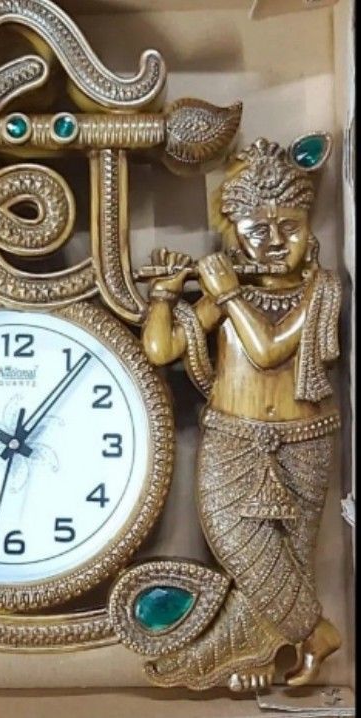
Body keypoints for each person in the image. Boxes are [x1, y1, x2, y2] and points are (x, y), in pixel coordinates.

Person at [140, 137, 342, 691]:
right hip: (232, 438)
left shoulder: (320, 291)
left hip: (302, 438)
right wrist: (164, 296)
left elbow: (269, 351)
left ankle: (258, 653)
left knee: (289, 557)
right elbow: (161, 350)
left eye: (290, 228)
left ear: (309, 227)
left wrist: (228, 296)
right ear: (234, 235)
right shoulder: (230, 290)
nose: (274, 242)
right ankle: (315, 631)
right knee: (237, 543)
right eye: (256, 230)